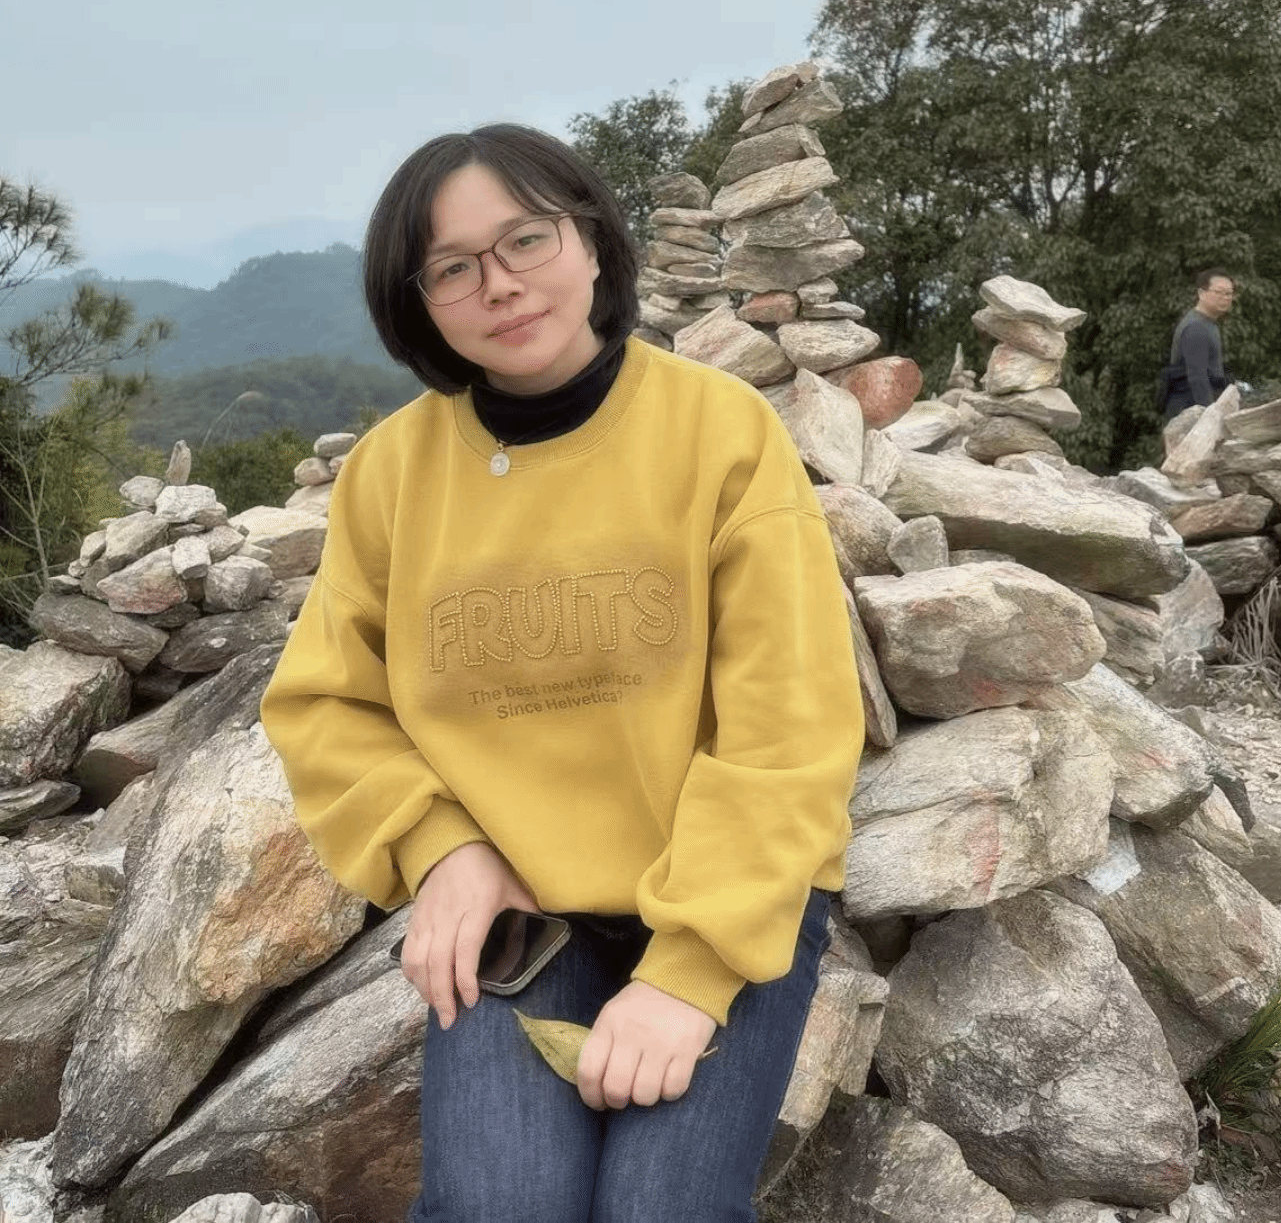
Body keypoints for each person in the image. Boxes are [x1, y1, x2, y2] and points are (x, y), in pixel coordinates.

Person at [260, 124, 865, 1223]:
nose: (499, 283)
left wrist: (687, 975)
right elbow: (324, 702)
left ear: (589, 240)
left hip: (730, 892)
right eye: (452, 267)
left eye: (525, 239)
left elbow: (789, 730)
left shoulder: (720, 431)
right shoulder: (391, 474)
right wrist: (442, 849)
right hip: (523, 906)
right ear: (418, 304)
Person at [1161, 267, 1236, 419]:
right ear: (1201, 293)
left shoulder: (1208, 324)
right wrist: (1210, 417)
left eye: (1228, 293)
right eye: (1219, 292)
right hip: (1189, 411)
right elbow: (1197, 378)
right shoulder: (1196, 327)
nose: (1225, 298)